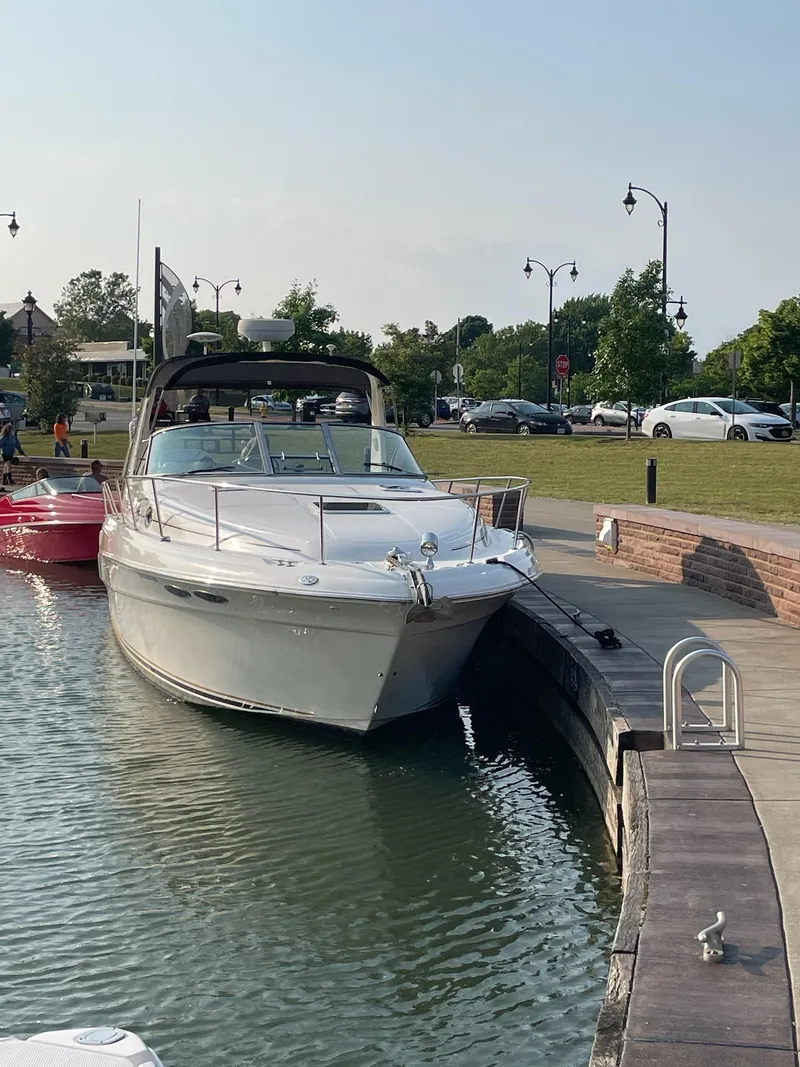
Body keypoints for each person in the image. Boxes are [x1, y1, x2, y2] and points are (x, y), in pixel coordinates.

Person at [0, 422, 25, 487]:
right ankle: (10, 479)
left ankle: (4, 480)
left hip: (11, 454)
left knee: (6, 466)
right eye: (10, 429)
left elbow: (17, 444)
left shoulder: (13, 438)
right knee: (9, 465)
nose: (11, 430)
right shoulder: (4, 438)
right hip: (5, 454)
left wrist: (20, 450)